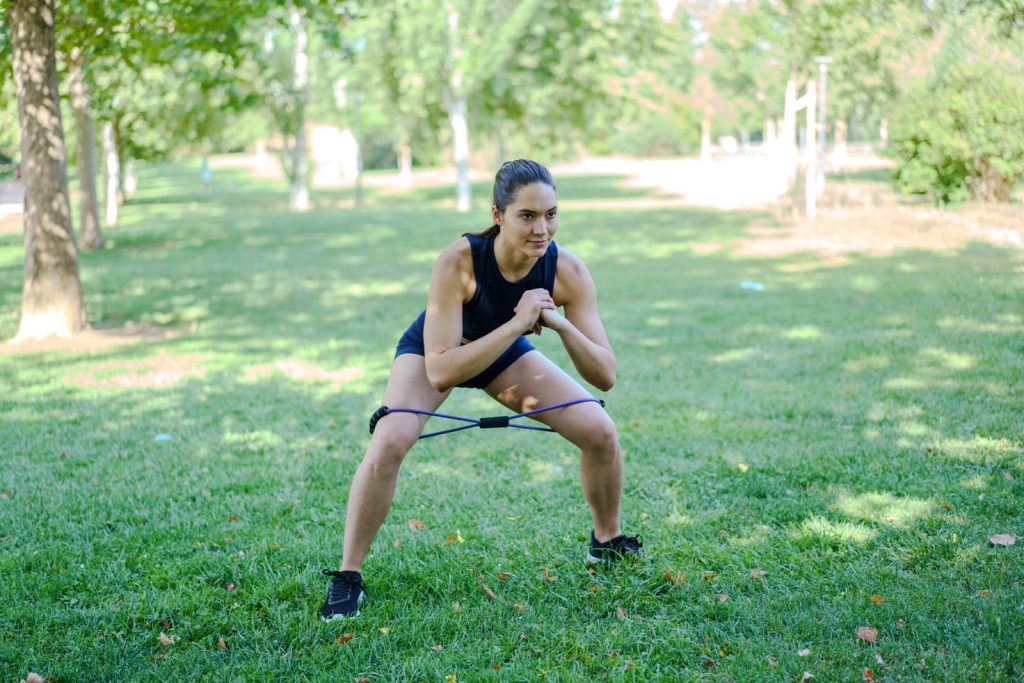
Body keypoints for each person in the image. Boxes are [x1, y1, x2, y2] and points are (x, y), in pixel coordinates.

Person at [321, 159, 640, 620]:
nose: (541, 228)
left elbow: (605, 374)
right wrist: (517, 324)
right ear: (498, 215)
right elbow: (440, 372)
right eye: (526, 216)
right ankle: (348, 575)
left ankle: (606, 542)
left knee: (600, 431)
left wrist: (556, 323)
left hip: (503, 352)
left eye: (550, 214)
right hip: (439, 350)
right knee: (389, 440)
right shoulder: (459, 261)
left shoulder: (566, 270)